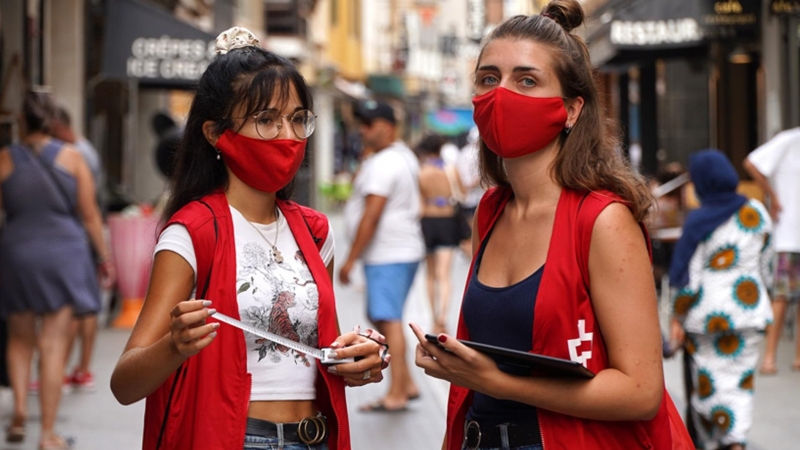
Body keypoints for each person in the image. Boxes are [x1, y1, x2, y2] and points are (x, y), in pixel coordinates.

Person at [409, 2, 693, 449]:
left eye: (527, 80)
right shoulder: (491, 209)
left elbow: (642, 392)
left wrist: (502, 384)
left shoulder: (603, 219)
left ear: (572, 109)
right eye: (488, 78)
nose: (501, 93)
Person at [110, 27, 387, 450]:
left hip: (316, 437)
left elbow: (318, 353)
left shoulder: (315, 231)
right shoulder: (192, 233)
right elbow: (125, 384)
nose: (288, 136)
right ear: (215, 133)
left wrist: (359, 359)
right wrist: (175, 345)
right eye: (265, 120)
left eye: (297, 119)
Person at [0, 89, 111, 449]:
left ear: (21, 121)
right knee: (52, 345)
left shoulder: (3, 159)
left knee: (19, 340)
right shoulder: (73, 158)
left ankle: (18, 410)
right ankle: (47, 434)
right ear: (51, 120)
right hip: (64, 254)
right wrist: (105, 257)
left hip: (17, 252)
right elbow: (91, 215)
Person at [668, 150, 773, 450]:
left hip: (707, 317)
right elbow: (767, 266)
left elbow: (689, 279)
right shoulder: (757, 212)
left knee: (708, 387)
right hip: (749, 312)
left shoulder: (699, 221)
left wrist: (677, 316)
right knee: (740, 386)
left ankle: (718, 441)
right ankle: (736, 441)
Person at [340, 99, 424, 412]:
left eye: (369, 125)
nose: (363, 130)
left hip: (389, 252)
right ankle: (407, 383)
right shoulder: (398, 156)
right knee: (383, 317)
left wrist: (350, 259)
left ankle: (397, 393)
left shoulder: (385, 162)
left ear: (388, 128)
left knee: (388, 321)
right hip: (396, 250)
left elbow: (371, 214)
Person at [50, 104, 111, 392]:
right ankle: (79, 368)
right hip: (84, 237)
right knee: (86, 304)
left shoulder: (77, 155)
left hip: (81, 237)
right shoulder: (82, 151)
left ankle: (71, 368)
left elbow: (87, 208)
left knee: (79, 307)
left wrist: (102, 253)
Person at [743, 127, 800, 375]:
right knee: (782, 297)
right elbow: (751, 163)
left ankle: (798, 356)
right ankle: (769, 358)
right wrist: (773, 197)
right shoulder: (789, 140)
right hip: (789, 235)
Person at [415, 133, 463, 335]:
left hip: (427, 222)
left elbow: (417, 202)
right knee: (444, 275)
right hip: (447, 221)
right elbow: (462, 194)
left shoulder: (421, 172)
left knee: (430, 274)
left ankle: (434, 316)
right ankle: (443, 317)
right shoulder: (451, 170)